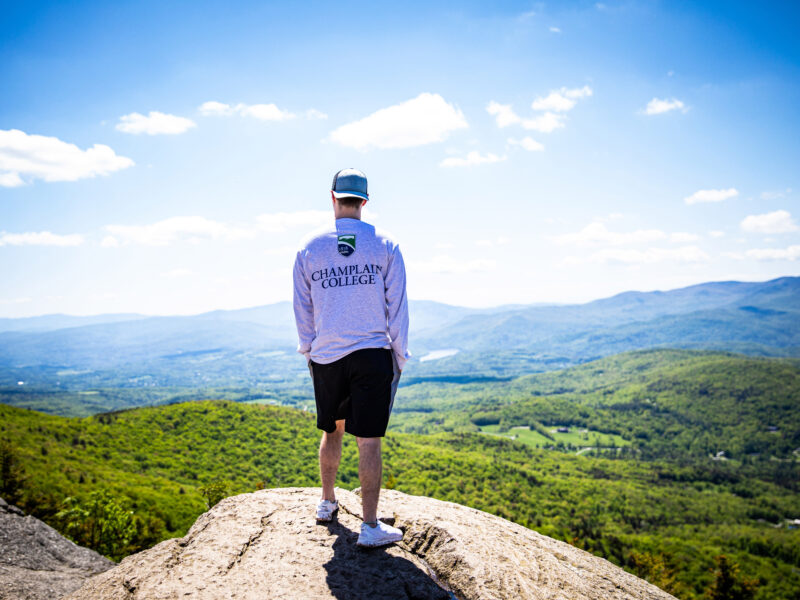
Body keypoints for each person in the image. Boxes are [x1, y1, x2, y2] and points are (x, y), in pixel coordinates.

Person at [292, 168, 410, 548]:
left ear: (332, 197)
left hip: (327, 354)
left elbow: (302, 307)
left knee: (332, 430)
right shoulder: (385, 244)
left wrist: (310, 349)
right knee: (369, 441)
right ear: (364, 201)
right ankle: (371, 526)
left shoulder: (309, 247)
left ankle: (327, 502)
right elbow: (398, 307)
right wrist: (399, 356)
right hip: (373, 352)